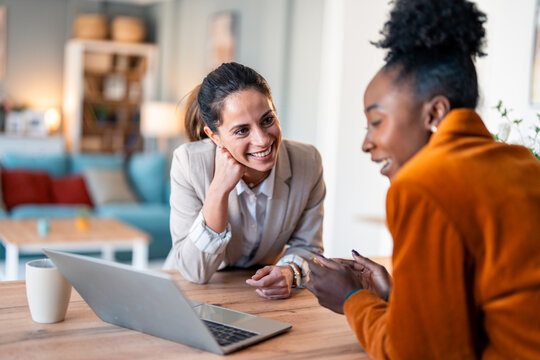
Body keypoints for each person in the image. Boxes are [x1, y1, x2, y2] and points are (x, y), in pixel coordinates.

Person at [308, 0, 540, 358]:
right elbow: (489, 309)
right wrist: (396, 295)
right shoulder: (522, 164)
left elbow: (419, 353)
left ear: (435, 112)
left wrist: (352, 299)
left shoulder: (422, 185)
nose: (366, 143)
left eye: (377, 122)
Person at [163, 62, 325, 299]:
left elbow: (309, 247)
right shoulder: (188, 163)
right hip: (187, 293)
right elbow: (195, 272)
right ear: (214, 136)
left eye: (267, 120)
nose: (262, 140)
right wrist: (219, 189)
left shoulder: (307, 162)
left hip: (257, 296)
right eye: (241, 130)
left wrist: (289, 271)